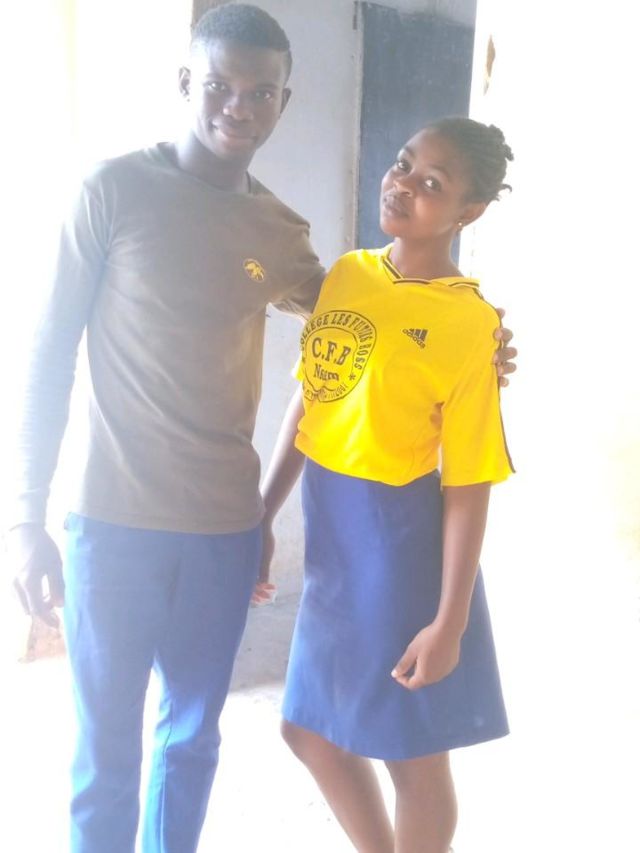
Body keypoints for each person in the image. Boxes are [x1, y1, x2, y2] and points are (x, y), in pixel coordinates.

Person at [6, 4, 517, 852]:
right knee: (109, 750)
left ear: (284, 100)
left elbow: (389, 341)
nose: (237, 106)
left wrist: (483, 337)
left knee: (194, 737)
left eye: (260, 92)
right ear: (186, 83)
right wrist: (24, 514)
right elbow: (47, 354)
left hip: (238, 529)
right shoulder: (113, 194)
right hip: (116, 520)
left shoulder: (280, 234)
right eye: (219, 86)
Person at [259, 117, 516, 853]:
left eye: (432, 183)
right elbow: (311, 397)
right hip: (332, 537)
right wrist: (263, 513)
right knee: (309, 729)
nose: (403, 184)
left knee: (410, 748)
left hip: (397, 545)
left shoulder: (469, 322)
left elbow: (469, 481)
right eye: (404, 164)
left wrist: (450, 620)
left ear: (469, 212)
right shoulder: (348, 275)